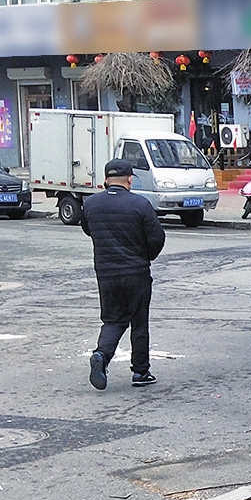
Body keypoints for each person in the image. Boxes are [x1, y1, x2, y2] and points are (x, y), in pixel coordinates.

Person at [85, 158, 167, 390]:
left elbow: (88, 229)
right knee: (138, 322)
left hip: (106, 273)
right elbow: (157, 238)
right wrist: (146, 256)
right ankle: (140, 372)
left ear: (105, 180)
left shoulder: (91, 204)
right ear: (130, 179)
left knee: (113, 319)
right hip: (136, 272)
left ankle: (102, 354)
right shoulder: (140, 204)